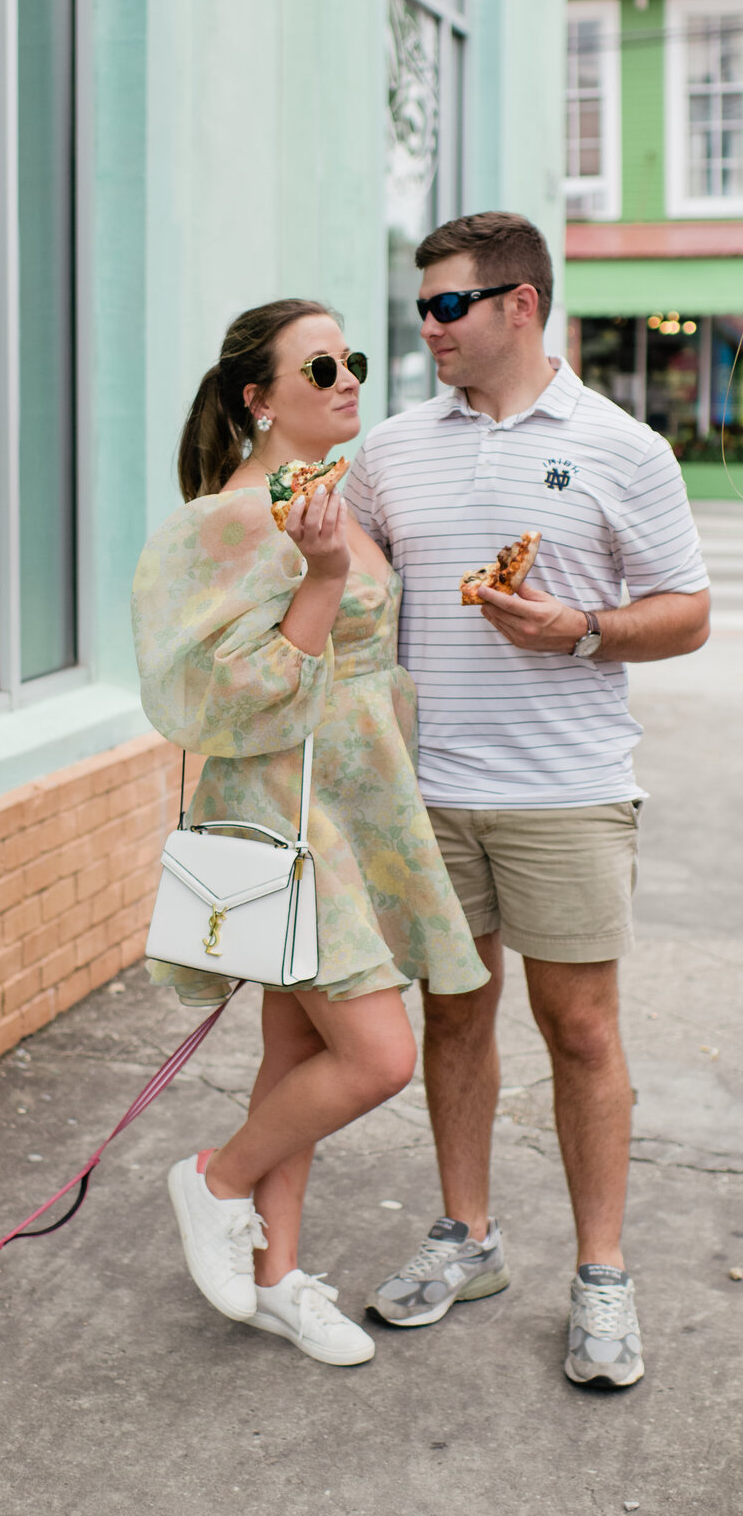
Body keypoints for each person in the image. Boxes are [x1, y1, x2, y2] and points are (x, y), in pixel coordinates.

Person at [346, 212, 710, 1388]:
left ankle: (602, 1276)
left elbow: (687, 610)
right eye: (420, 308)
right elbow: (349, 598)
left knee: (583, 1031)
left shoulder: (621, 447)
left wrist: (584, 629)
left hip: (567, 790)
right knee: (454, 1017)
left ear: (519, 305)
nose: (428, 328)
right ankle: (468, 1237)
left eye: (447, 305)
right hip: (428, 795)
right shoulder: (392, 450)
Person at [131, 297, 490, 1368]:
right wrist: (328, 579)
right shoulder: (229, 521)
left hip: (354, 805)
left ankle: (279, 1275)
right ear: (259, 397)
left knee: (298, 1047)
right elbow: (228, 693)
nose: (347, 380)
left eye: (354, 361)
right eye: (320, 365)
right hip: (285, 807)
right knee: (379, 1055)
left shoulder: (331, 494)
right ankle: (215, 1181)